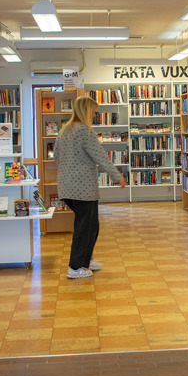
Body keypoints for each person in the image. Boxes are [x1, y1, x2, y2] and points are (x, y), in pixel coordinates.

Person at [54, 95, 126, 279]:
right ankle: (75, 267)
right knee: (85, 228)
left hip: (66, 188)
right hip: (83, 189)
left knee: (91, 225)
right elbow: (100, 157)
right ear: (86, 111)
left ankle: (85, 259)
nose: (95, 115)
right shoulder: (85, 131)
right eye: (94, 111)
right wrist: (117, 177)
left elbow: (55, 157)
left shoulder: (64, 131)